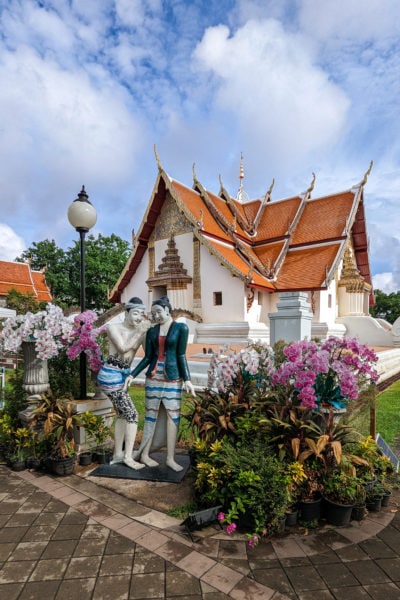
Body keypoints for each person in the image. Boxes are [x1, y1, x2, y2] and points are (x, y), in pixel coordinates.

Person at [128, 295, 195, 472]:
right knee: (151, 415)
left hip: (173, 378)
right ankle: (144, 454)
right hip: (153, 377)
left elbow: (181, 355)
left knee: (173, 416)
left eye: (158, 311)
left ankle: (170, 457)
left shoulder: (181, 328)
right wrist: (133, 374)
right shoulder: (152, 331)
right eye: (153, 313)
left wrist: (187, 379)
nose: (156, 316)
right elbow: (148, 357)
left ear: (167, 310)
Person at [97, 297, 150, 470]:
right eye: (135, 313)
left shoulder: (140, 332)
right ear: (126, 313)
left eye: (141, 314)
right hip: (110, 377)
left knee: (122, 414)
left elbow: (149, 354)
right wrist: (139, 332)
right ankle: (128, 457)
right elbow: (122, 348)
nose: (138, 318)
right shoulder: (114, 328)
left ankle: (118, 453)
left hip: (123, 378)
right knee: (132, 415)